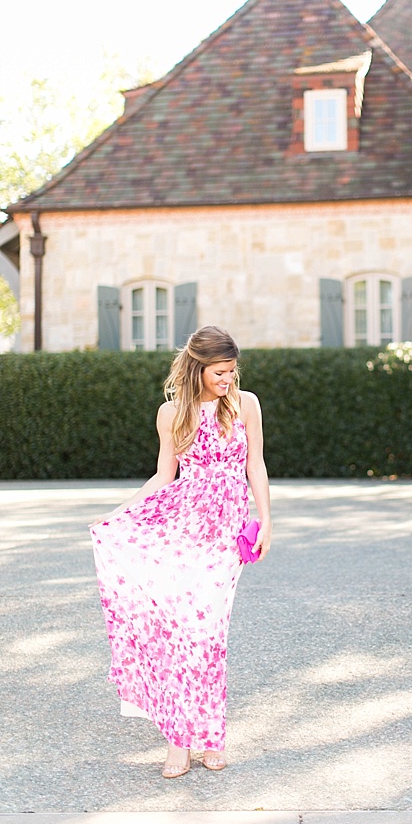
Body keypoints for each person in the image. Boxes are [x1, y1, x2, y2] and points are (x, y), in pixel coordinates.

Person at [89, 325, 271, 779]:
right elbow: (162, 477)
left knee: (209, 634)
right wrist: (118, 514)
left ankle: (210, 735)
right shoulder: (171, 413)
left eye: (232, 371)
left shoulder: (246, 405)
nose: (228, 378)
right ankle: (178, 740)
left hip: (224, 538)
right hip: (180, 528)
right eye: (220, 372)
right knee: (178, 631)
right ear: (198, 367)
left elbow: (256, 465)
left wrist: (267, 520)